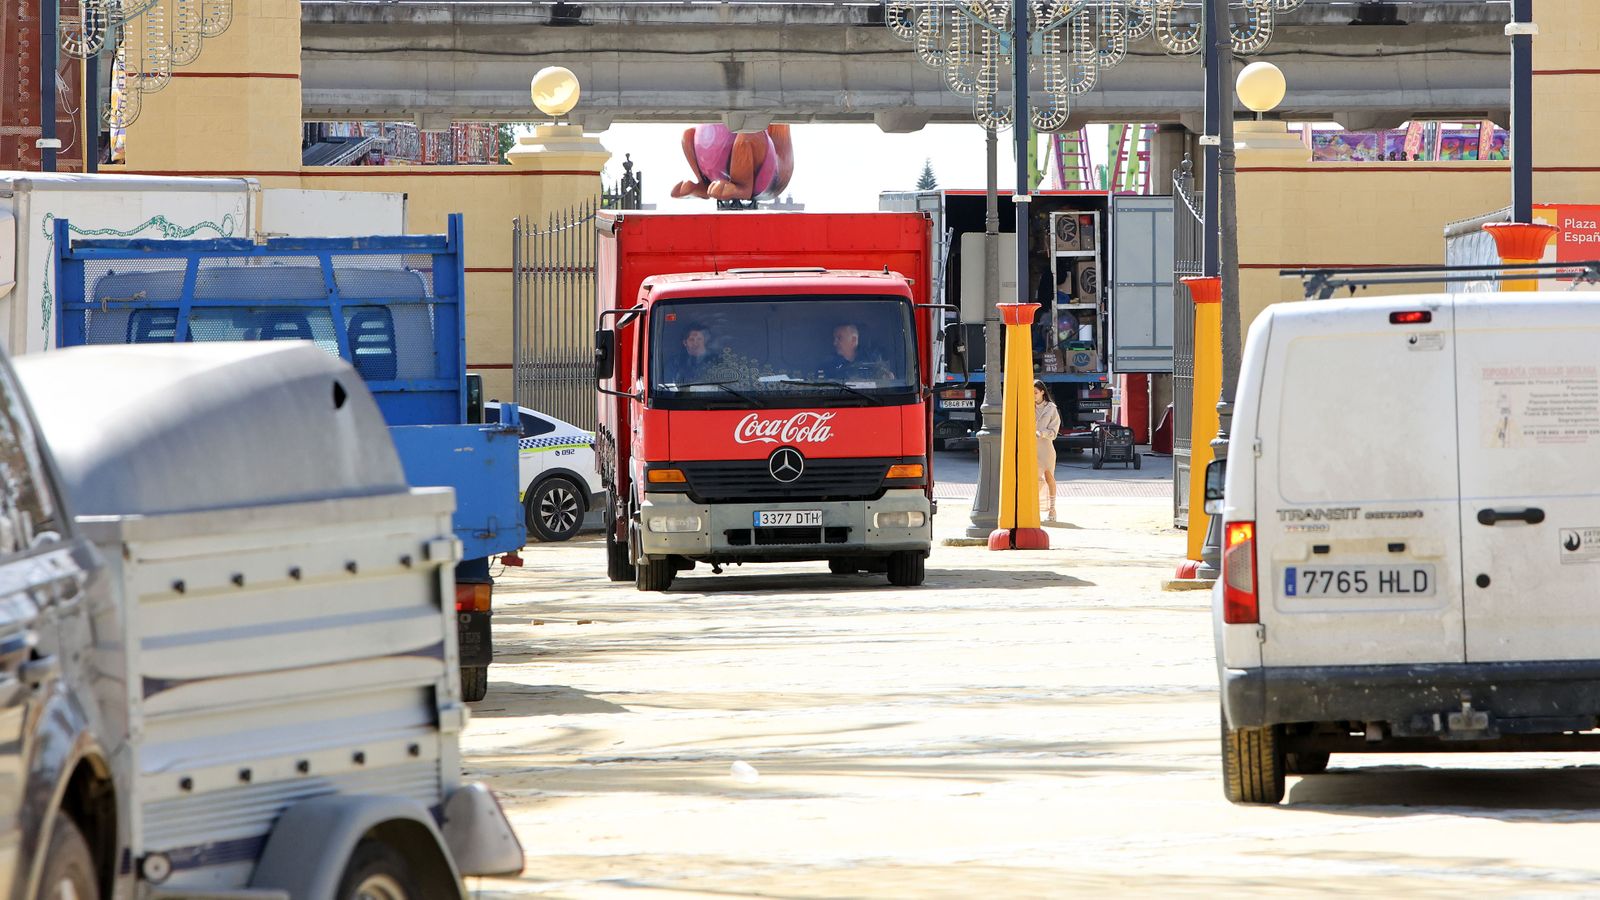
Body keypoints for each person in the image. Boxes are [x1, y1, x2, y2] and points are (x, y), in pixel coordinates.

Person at [821, 323, 890, 380]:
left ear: (854, 340)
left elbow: (886, 381)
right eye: (834, 338)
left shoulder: (873, 360)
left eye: (839, 338)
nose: (834, 343)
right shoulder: (828, 364)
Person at [1035, 380, 1061, 521]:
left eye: (1036, 392)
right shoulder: (1026, 405)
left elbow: (1054, 431)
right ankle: (1034, 509)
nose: (1033, 395)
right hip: (1030, 447)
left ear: (1042, 392)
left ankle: (1052, 510)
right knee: (1033, 480)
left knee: (1048, 477)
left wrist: (1041, 433)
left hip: (1045, 446)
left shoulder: (1051, 408)